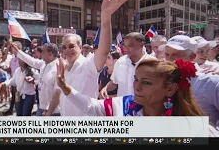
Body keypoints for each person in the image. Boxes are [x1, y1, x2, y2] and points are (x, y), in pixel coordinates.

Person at [55, 58, 218, 136]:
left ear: (170, 89)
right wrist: (65, 87)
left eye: (146, 83)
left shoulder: (195, 130)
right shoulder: (123, 105)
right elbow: (90, 106)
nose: (137, 87)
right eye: (136, 79)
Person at [45, 0, 135, 116]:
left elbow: (103, 51)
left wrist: (106, 15)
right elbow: (58, 93)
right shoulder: (62, 68)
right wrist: (48, 113)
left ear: (80, 48)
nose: (67, 50)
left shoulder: (88, 65)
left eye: (71, 46)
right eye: (64, 47)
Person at [159, 35, 219, 125]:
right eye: (167, 54)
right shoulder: (161, 79)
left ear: (192, 56)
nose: (169, 59)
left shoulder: (211, 82)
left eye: (176, 55)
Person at [10, 42, 61, 116]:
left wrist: (49, 111)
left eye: (43, 52)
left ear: (50, 54)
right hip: (41, 107)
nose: (41, 54)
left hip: (53, 111)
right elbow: (31, 61)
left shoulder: (58, 68)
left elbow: (58, 93)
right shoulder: (44, 64)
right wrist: (18, 52)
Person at [99, 32, 155, 99]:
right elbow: (114, 82)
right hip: (123, 106)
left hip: (144, 107)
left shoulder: (153, 63)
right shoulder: (120, 62)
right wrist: (105, 89)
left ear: (142, 44)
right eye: (125, 45)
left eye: (131, 45)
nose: (127, 48)